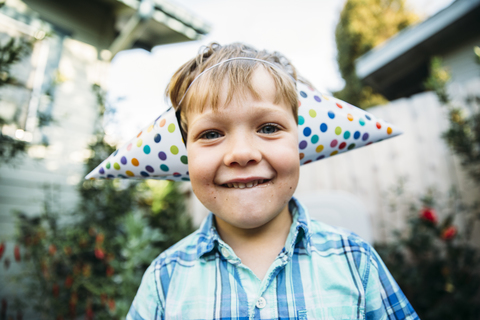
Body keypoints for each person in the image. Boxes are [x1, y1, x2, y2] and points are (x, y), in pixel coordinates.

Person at [126, 43, 418, 320]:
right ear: (186, 153)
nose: (241, 153)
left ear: (299, 142)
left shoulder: (355, 260)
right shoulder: (165, 278)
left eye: (268, 127)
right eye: (211, 134)